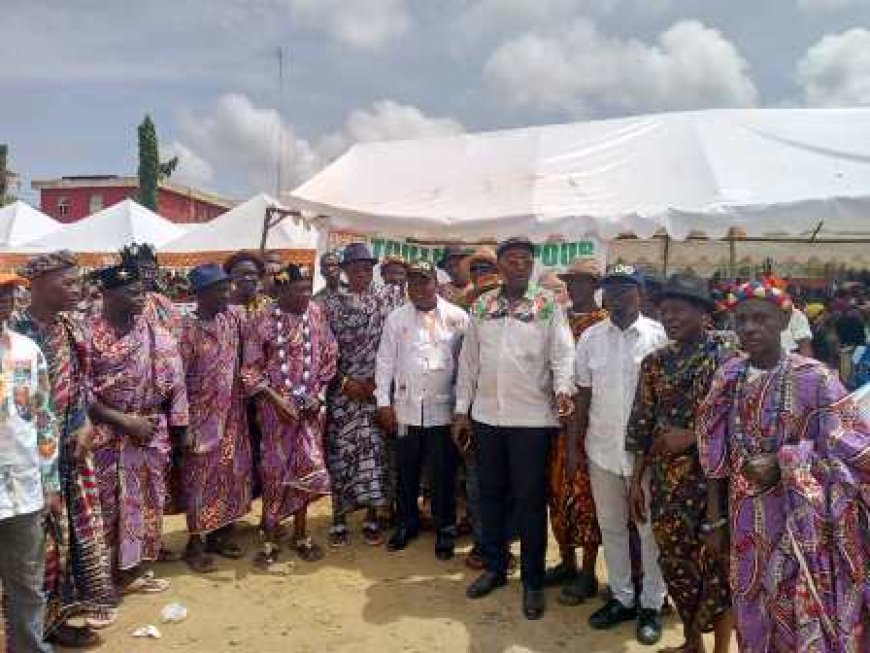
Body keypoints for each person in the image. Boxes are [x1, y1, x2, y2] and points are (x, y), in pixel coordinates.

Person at [698, 281, 869, 653]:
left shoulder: (816, 379)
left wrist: (785, 461)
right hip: (743, 515)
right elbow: (713, 454)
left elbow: (854, 449)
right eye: (741, 320)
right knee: (749, 599)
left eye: (761, 318)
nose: (749, 328)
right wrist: (714, 520)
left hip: (803, 520)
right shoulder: (727, 376)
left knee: (797, 601)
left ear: (785, 319)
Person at [454, 236, 575, 621]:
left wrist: (562, 391)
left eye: (525, 259)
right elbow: (469, 362)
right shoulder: (482, 306)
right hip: (487, 417)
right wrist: (461, 411)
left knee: (528, 501)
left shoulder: (547, 306)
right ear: (501, 266)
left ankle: (533, 582)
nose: (518, 264)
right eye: (511, 259)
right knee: (490, 495)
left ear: (532, 265)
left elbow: (563, 352)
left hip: (532, 421)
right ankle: (494, 566)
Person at [626, 273, 734, 653]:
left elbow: (741, 421)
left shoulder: (728, 361)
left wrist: (692, 436)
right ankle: (692, 644)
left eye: (679, 310)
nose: (669, 317)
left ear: (704, 314)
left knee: (716, 568)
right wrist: (636, 482)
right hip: (666, 484)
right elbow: (641, 422)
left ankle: (721, 649)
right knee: (675, 563)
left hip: (714, 483)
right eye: (665, 311)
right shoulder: (654, 363)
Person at [14, 252, 117, 646]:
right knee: (34, 549)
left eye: (78, 283)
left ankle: (56, 621)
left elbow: (82, 388)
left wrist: (87, 424)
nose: (78, 290)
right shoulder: (17, 334)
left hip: (73, 455)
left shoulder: (71, 329)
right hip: (31, 463)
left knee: (71, 539)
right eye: (67, 283)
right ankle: (30, 630)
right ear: (37, 284)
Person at [574, 263, 668, 644]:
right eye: (609, 288)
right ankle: (622, 597)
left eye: (624, 288)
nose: (614, 296)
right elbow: (583, 394)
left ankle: (651, 605)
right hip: (600, 448)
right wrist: (576, 445)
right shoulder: (591, 337)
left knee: (648, 532)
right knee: (611, 526)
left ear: (640, 293)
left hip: (644, 456)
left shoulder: (658, 337)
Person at [86, 264, 188, 594]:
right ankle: (102, 581)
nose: (141, 297)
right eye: (132, 292)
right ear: (108, 295)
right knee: (106, 509)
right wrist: (124, 421)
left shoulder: (153, 331)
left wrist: (178, 424)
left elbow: (176, 379)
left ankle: (130, 571)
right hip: (105, 435)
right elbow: (78, 392)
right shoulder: (88, 336)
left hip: (149, 433)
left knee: (146, 504)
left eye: (142, 290)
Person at [243, 263, 338, 566]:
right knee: (274, 473)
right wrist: (276, 400)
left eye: (309, 289)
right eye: (299, 290)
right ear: (281, 290)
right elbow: (250, 370)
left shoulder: (316, 313)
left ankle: (301, 534)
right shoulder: (262, 320)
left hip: (310, 411)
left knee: (306, 470)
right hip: (275, 414)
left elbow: (329, 356)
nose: (306, 295)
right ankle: (270, 537)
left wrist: (319, 396)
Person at [375, 259, 470, 560]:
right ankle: (406, 524)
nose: (418, 287)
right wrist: (383, 403)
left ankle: (445, 530)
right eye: (412, 282)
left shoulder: (457, 317)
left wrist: (462, 408)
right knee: (407, 473)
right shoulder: (396, 319)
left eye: (424, 281)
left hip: (444, 412)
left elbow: (467, 366)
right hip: (406, 410)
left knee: (443, 475)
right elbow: (385, 362)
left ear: (435, 283)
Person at [321, 243, 404, 547]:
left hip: (376, 390)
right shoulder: (328, 304)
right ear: (344, 271)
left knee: (374, 454)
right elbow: (323, 352)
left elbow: (397, 341)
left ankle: (371, 517)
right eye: (356, 268)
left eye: (367, 268)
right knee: (340, 454)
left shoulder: (389, 298)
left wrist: (378, 383)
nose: (362, 273)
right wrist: (344, 382)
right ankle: (339, 518)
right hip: (343, 392)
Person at [177, 264, 251, 574]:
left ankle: (222, 533)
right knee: (199, 480)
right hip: (199, 418)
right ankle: (195, 542)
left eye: (227, 288)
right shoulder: (186, 330)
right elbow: (176, 380)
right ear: (201, 294)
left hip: (232, 413)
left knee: (232, 473)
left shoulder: (232, 318)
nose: (227, 294)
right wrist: (180, 426)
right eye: (220, 290)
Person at [0, 273, 59, 653]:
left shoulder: (26, 350)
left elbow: (44, 416)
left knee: (27, 586)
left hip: (22, 491)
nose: (5, 298)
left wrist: (50, 481)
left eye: (8, 291)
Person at [544, 259, 607, 605]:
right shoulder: (558, 319)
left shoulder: (603, 324)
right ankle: (565, 561)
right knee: (557, 494)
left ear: (595, 285)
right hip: (554, 424)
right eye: (572, 281)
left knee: (587, 499)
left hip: (588, 426)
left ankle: (587, 571)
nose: (576, 287)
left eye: (583, 282)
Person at [119, 242, 179, 334]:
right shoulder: (114, 302)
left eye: (152, 271)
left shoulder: (162, 302)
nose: (148, 276)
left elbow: (175, 330)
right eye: (143, 270)